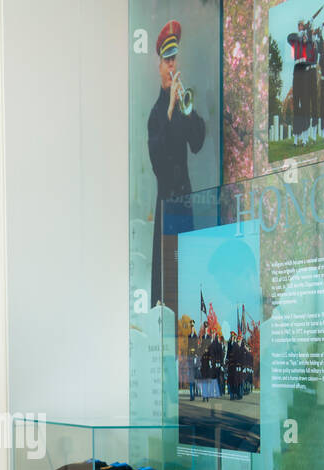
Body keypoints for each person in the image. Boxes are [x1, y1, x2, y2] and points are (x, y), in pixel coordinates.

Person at [148, 19, 206, 304]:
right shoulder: (156, 114)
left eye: (174, 59)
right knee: (167, 287)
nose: (171, 65)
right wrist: (170, 108)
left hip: (185, 204)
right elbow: (159, 161)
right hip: (167, 208)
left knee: (188, 284)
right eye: (166, 60)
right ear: (159, 66)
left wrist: (187, 109)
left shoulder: (183, 105)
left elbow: (197, 142)